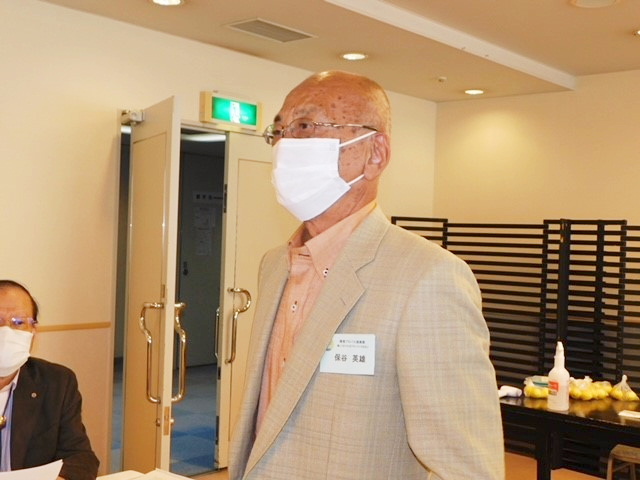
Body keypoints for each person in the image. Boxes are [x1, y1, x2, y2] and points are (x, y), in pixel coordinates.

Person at [228, 70, 505, 480]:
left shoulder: (427, 277)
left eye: (305, 126)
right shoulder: (274, 265)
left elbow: (467, 469)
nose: (286, 145)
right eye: (279, 131)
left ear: (375, 153)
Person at [0, 280, 99, 480]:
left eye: (19, 322)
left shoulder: (57, 382)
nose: (6, 331)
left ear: (33, 331)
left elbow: (81, 458)